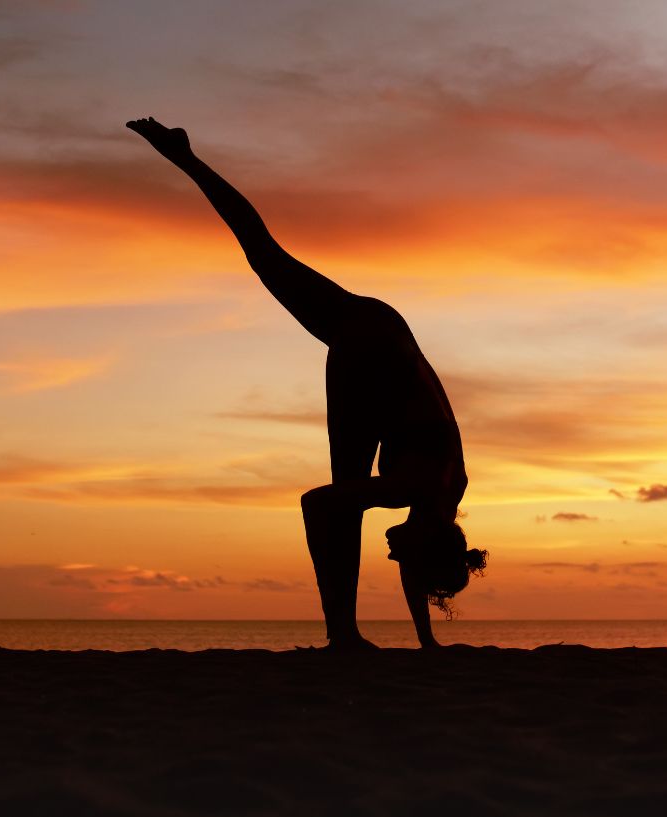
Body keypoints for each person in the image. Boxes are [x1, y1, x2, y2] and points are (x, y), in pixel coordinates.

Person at [127, 117, 487, 650]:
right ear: (433, 540)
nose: (393, 556)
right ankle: (342, 633)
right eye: (404, 554)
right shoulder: (417, 490)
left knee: (264, 254)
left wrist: (427, 643)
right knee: (336, 501)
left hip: (385, 330)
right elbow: (318, 504)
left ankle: (186, 159)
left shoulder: (445, 497)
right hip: (368, 358)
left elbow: (418, 559)